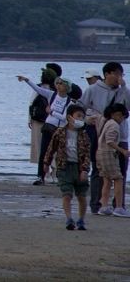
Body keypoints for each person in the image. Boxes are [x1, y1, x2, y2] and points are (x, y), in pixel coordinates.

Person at [80, 62, 126, 215]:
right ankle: (97, 205)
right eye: (117, 74)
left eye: (121, 74)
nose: (119, 77)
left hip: (121, 134)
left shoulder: (123, 90)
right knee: (99, 170)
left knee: (121, 170)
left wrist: (124, 88)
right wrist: (87, 120)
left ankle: (119, 205)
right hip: (98, 134)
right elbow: (80, 108)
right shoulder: (93, 89)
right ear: (107, 74)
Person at [49, 101, 95, 231]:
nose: (80, 119)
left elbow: (87, 153)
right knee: (67, 194)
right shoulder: (60, 132)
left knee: (81, 195)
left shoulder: (84, 135)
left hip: (79, 167)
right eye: (78, 116)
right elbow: (51, 149)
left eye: (82, 116)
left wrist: (85, 170)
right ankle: (69, 219)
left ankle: (81, 220)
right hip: (64, 167)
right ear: (69, 117)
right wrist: (46, 164)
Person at [99, 103, 125, 217]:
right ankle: (119, 207)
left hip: (100, 153)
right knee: (118, 179)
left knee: (107, 180)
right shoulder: (114, 125)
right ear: (117, 115)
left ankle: (104, 206)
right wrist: (122, 151)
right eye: (122, 117)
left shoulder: (107, 123)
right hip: (108, 153)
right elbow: (110, 141)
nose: (122, 120)